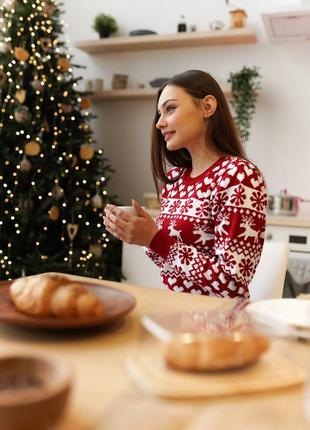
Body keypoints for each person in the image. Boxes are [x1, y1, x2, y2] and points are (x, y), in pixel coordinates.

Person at [104, 70, 267, 298]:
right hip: (179, 312)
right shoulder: (176, 178)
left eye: (170, 108)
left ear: (207, 107)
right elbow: (169, 262)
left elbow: (232, 283)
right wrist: (140, 233)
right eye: (158, 114)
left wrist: (154, 238)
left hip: (221, 324)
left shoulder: (239, 175)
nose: (160, 123)